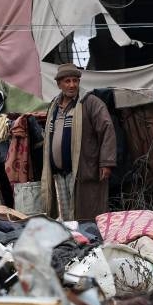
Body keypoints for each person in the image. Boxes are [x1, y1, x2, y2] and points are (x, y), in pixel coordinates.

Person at [41, 63, 116, 221]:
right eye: (67, 81)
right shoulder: (54, 105)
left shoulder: (91, 103)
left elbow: (107, 129)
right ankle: (74, 243)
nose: (72, 85)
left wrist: (106, 162)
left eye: (75, 80)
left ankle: (89, 243)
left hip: (83, 169)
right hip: (59, 173)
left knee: (85, 214)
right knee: (67, 216)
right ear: (59, 84)